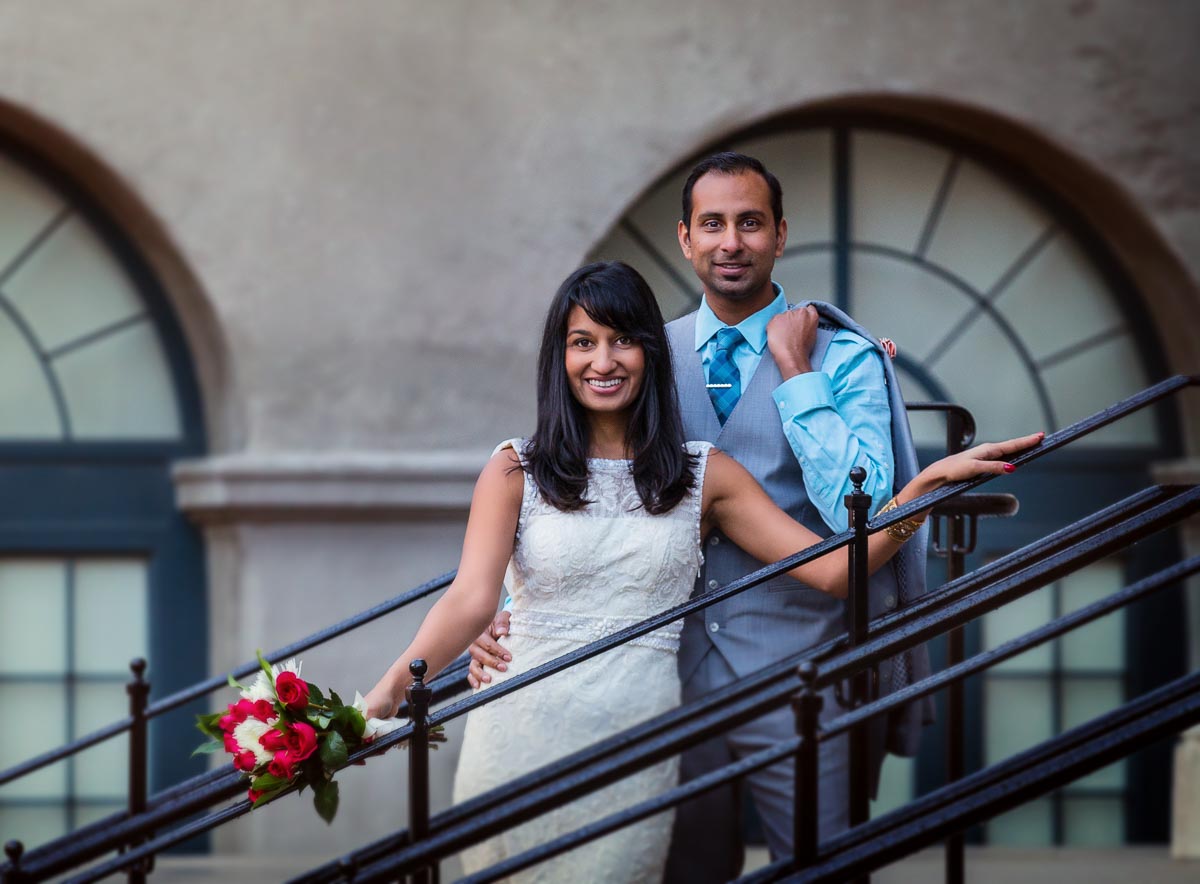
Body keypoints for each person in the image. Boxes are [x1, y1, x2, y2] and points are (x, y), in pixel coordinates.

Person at [364, 260, 1038, 882]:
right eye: (582, 342)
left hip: (640, 737)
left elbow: (836, 572)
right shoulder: (515, 468)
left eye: (622, 340)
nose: (603, 360)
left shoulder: (703, 474)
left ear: (651, 355)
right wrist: (382, 698)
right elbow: (470, 598)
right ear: (558, 357)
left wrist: (921, 490)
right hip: (521, 731)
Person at [470, 152, 925, 879]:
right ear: (685, 238)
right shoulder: (640, 352)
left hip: (800, 673)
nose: (731, 242)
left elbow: (855, 514)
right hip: (661, 681)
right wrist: (504, 607)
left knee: (825, 864)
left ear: (781, 234)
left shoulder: (844, 358)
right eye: (712, 224)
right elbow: (574, 486)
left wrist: (797, 374)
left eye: (750, 223)